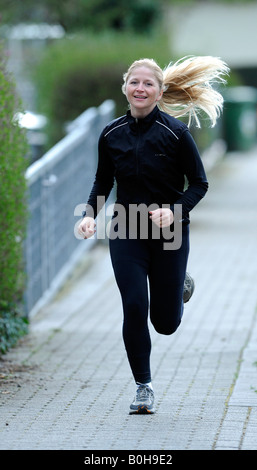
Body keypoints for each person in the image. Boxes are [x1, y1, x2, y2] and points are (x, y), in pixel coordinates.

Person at [78, 56, 229, 414]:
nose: (141, 88)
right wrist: (88, 216)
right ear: (125, 89)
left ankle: (179, 284)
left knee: (166, 323)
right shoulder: (111, 133)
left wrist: (174, 211)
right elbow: (103, 181)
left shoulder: (176, 133)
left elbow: (200, 184)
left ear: (160, 92)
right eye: (135, 82)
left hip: (170, 234)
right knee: (134, 305)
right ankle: (143, 387)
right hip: (126, 228)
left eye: (148, 84)